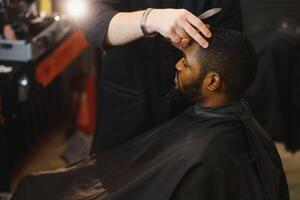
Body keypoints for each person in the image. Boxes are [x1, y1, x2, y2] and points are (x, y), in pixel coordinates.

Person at [12, 28, 290, 200]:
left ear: (213, 82)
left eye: (186, 63)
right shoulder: (241, 123)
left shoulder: (203, 157)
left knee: (36, 190)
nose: (178, 66)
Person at [79, 0, 243, 153]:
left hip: (191, 116)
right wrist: (150, 20)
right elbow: (94, 24)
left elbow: (231, 40)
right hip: (129, 107)